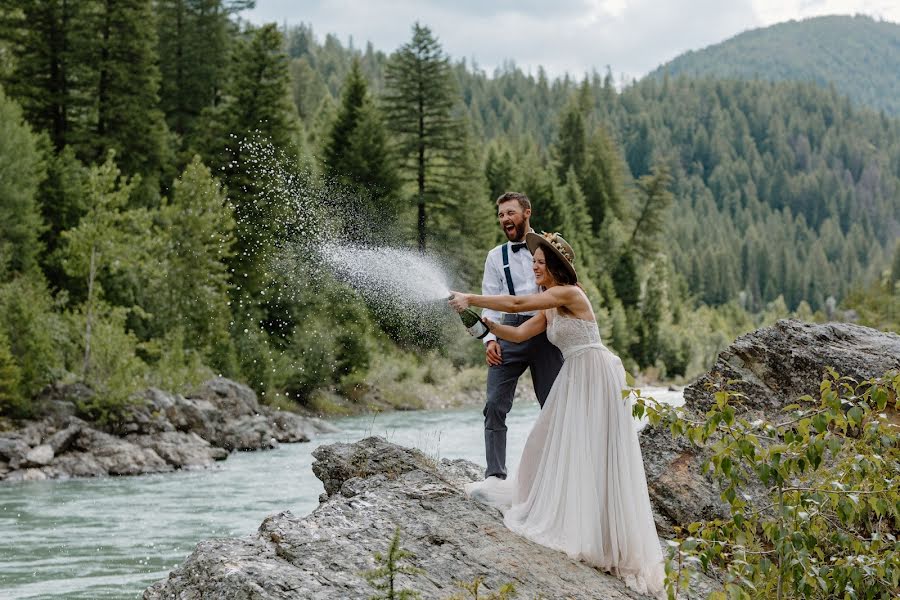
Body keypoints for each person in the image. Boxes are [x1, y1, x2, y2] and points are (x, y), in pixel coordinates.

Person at [448, 231, 665, 596]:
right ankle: (551, 506)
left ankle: (598, 533)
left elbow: (516, 303)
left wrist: (471, 296)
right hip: (576, 376)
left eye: (540, 263)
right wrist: (484, 327)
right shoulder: (549, 305)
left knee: (592, 451)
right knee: (540, 445)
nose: (534, 268)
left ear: (556, 267)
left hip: (595, 373)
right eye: (532, 262)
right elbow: (517, 335)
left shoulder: (570, 293)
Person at [478, 192, 563, 481]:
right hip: (508, 333)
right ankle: (495, 476)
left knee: (554, 405)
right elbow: (490, 301)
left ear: (527, 212)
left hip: (548, 332)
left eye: (510, 213)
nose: (505, 219)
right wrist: (489, 341)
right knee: (493, 406)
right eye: (501, 214)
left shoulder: (549, 249)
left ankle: (555, 476)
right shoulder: (494, 256)